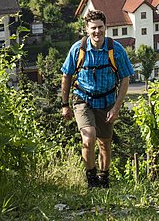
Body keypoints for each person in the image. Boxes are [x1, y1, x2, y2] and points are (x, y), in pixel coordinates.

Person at [60, 10, 135, 188]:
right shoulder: (77, 49)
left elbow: (125, 78)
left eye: (100, 27)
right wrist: (64, 105)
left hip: (107, 100)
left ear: (105, 27)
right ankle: (91, 178)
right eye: (93, 28)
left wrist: (116, 107)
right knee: (88, 138)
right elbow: (66, 75)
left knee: (105, 144)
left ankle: (104, 177)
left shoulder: (116, 50)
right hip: (83, 99)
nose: (97, 31)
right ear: (86, 29)